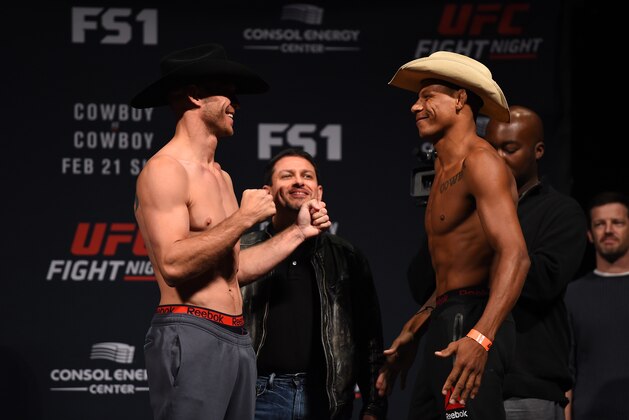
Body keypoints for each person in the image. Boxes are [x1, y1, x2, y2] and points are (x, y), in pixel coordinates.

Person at [131, 43, 331, 420]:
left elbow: (234, 270)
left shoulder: (222, 177)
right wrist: (243, 218)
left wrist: (298, 233)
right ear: (193, 95)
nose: (236, 104)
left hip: (237, 338)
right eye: (227, 92)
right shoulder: (165, 170)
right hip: (190, 331)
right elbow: (172, 263)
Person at [376, 51, 530, 420]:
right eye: (417, 98)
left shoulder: (481, 161)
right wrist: (415, 328)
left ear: (460, 99)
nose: (415, 107)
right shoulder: (444, 171)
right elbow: (456, 272)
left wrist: (480, 337)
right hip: (448, 319)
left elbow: (516, 255)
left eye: (428, 96)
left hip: (473, 321)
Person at [239, 148, 388, 420]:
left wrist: (374, 406)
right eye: (287, 176)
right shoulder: (242, 251)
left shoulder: (346, 256)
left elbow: (370, 340)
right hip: (257, 396)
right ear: (267, 191)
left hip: (326, 399)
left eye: (306, 176)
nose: (299, 181)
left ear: (318, 192)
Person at [484, 105, 587, 419]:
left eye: (510, 149)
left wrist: (480, 250)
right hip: (464, 386)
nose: (499, 158)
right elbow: (422, 280)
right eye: (492, 149)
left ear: (538, 150)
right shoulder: (471, 210)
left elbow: (543, 281)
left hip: (526, 389)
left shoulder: (561, 212)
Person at [564, 191, 629, 420]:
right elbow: (566, 372)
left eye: (617, 223)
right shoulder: (572, 295)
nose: (608, 230)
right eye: (600, 224)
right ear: (590, 234)